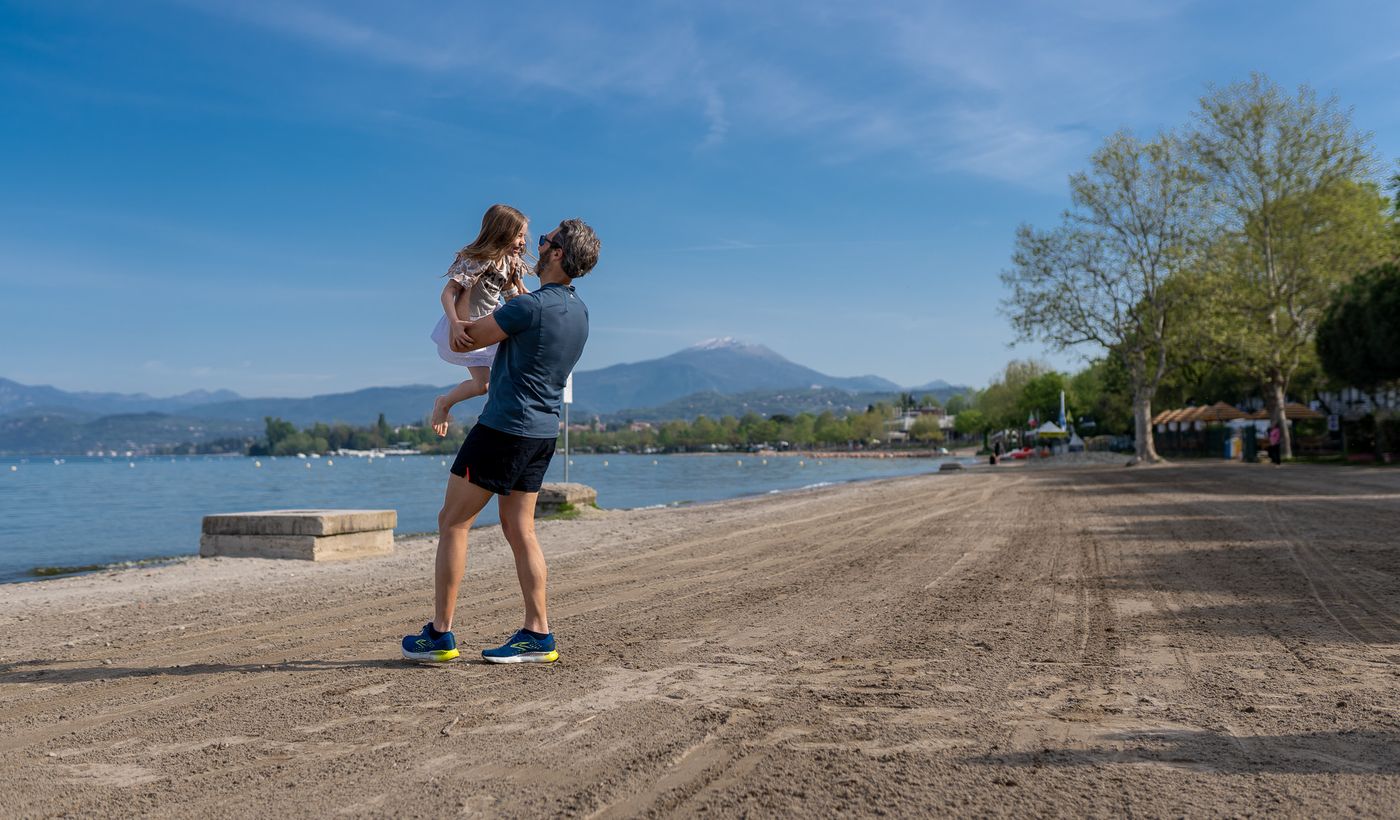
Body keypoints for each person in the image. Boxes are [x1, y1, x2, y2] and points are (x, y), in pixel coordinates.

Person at [402, 219, 600, 664]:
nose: (538, 245)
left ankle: (439, 635)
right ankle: (538, 633)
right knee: (520, 529)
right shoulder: (579, 311)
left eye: (545, 241)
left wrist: (457, 308)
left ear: (556, 255)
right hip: (543, 432)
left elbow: (469, 337)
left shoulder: (528, 308)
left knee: (452, 521)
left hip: (504, 428)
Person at [428, 204, 532, 437]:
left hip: (490, 322)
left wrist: (526, 301)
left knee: (493, 380)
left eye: (523, 236)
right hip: (467, 325)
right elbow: (448, 292)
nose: (523, 241)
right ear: (502, 233)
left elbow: (509, 295)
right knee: (487, 383)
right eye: (519, 235)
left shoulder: (509, 262)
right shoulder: (477, 260)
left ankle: (511, 419)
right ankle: (444, 404)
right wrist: (455, 323)